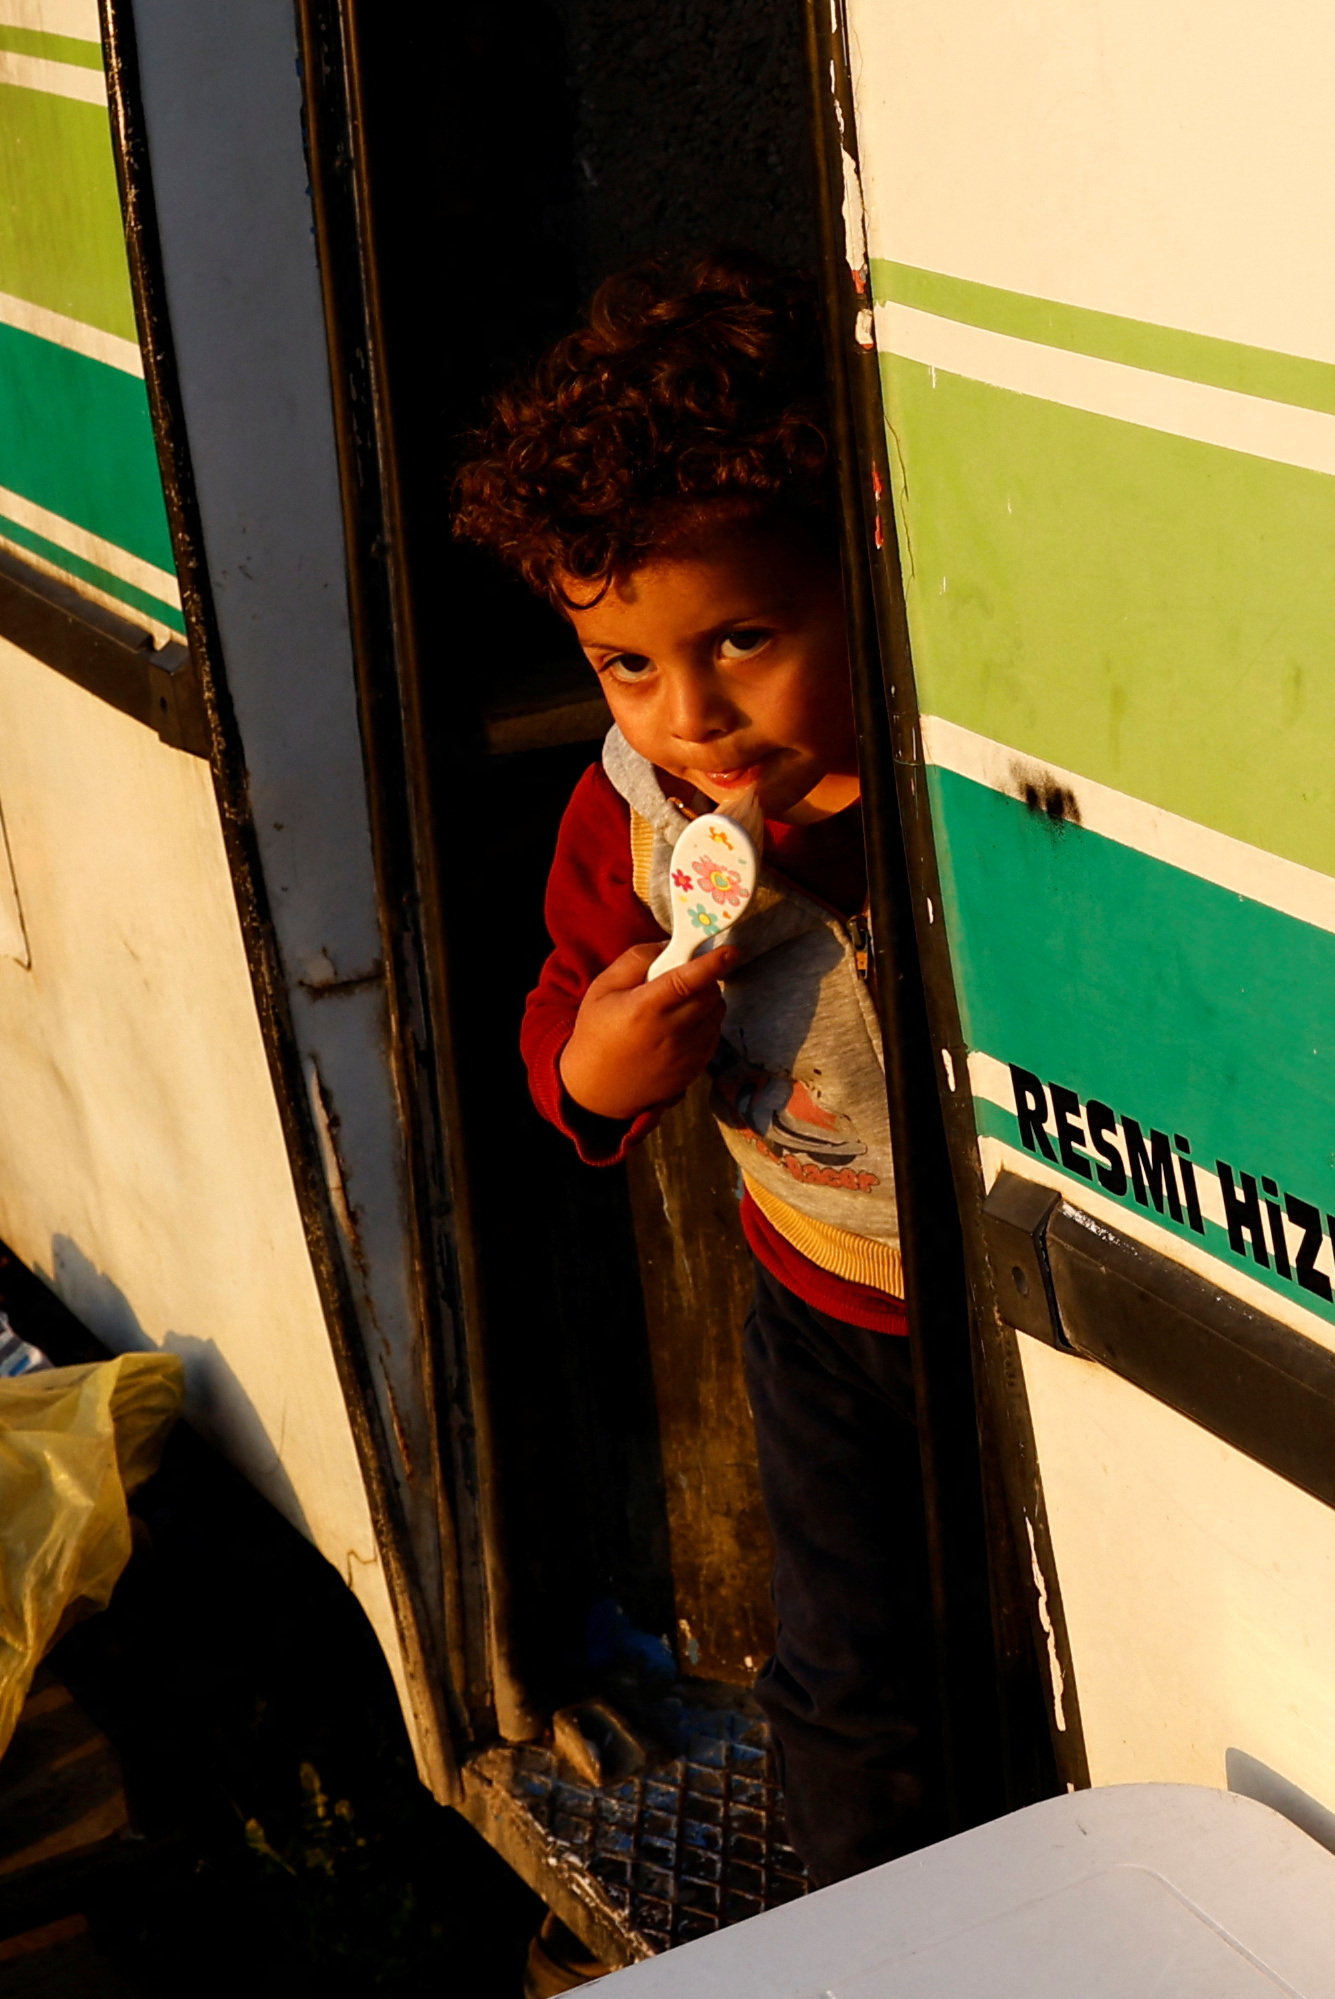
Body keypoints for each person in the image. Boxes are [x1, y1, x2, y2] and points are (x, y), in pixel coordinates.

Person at [454, 251, 940, 1885]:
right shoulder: (633, 820)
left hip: (1000, 1303)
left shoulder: (951, 761)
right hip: (821, 1303)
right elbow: (558, 1016)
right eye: (627, 665)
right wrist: (599, 1064)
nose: (693, 716)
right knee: (849, 1683)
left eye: (742, 637)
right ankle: (876, 1924)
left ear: (863, 566)